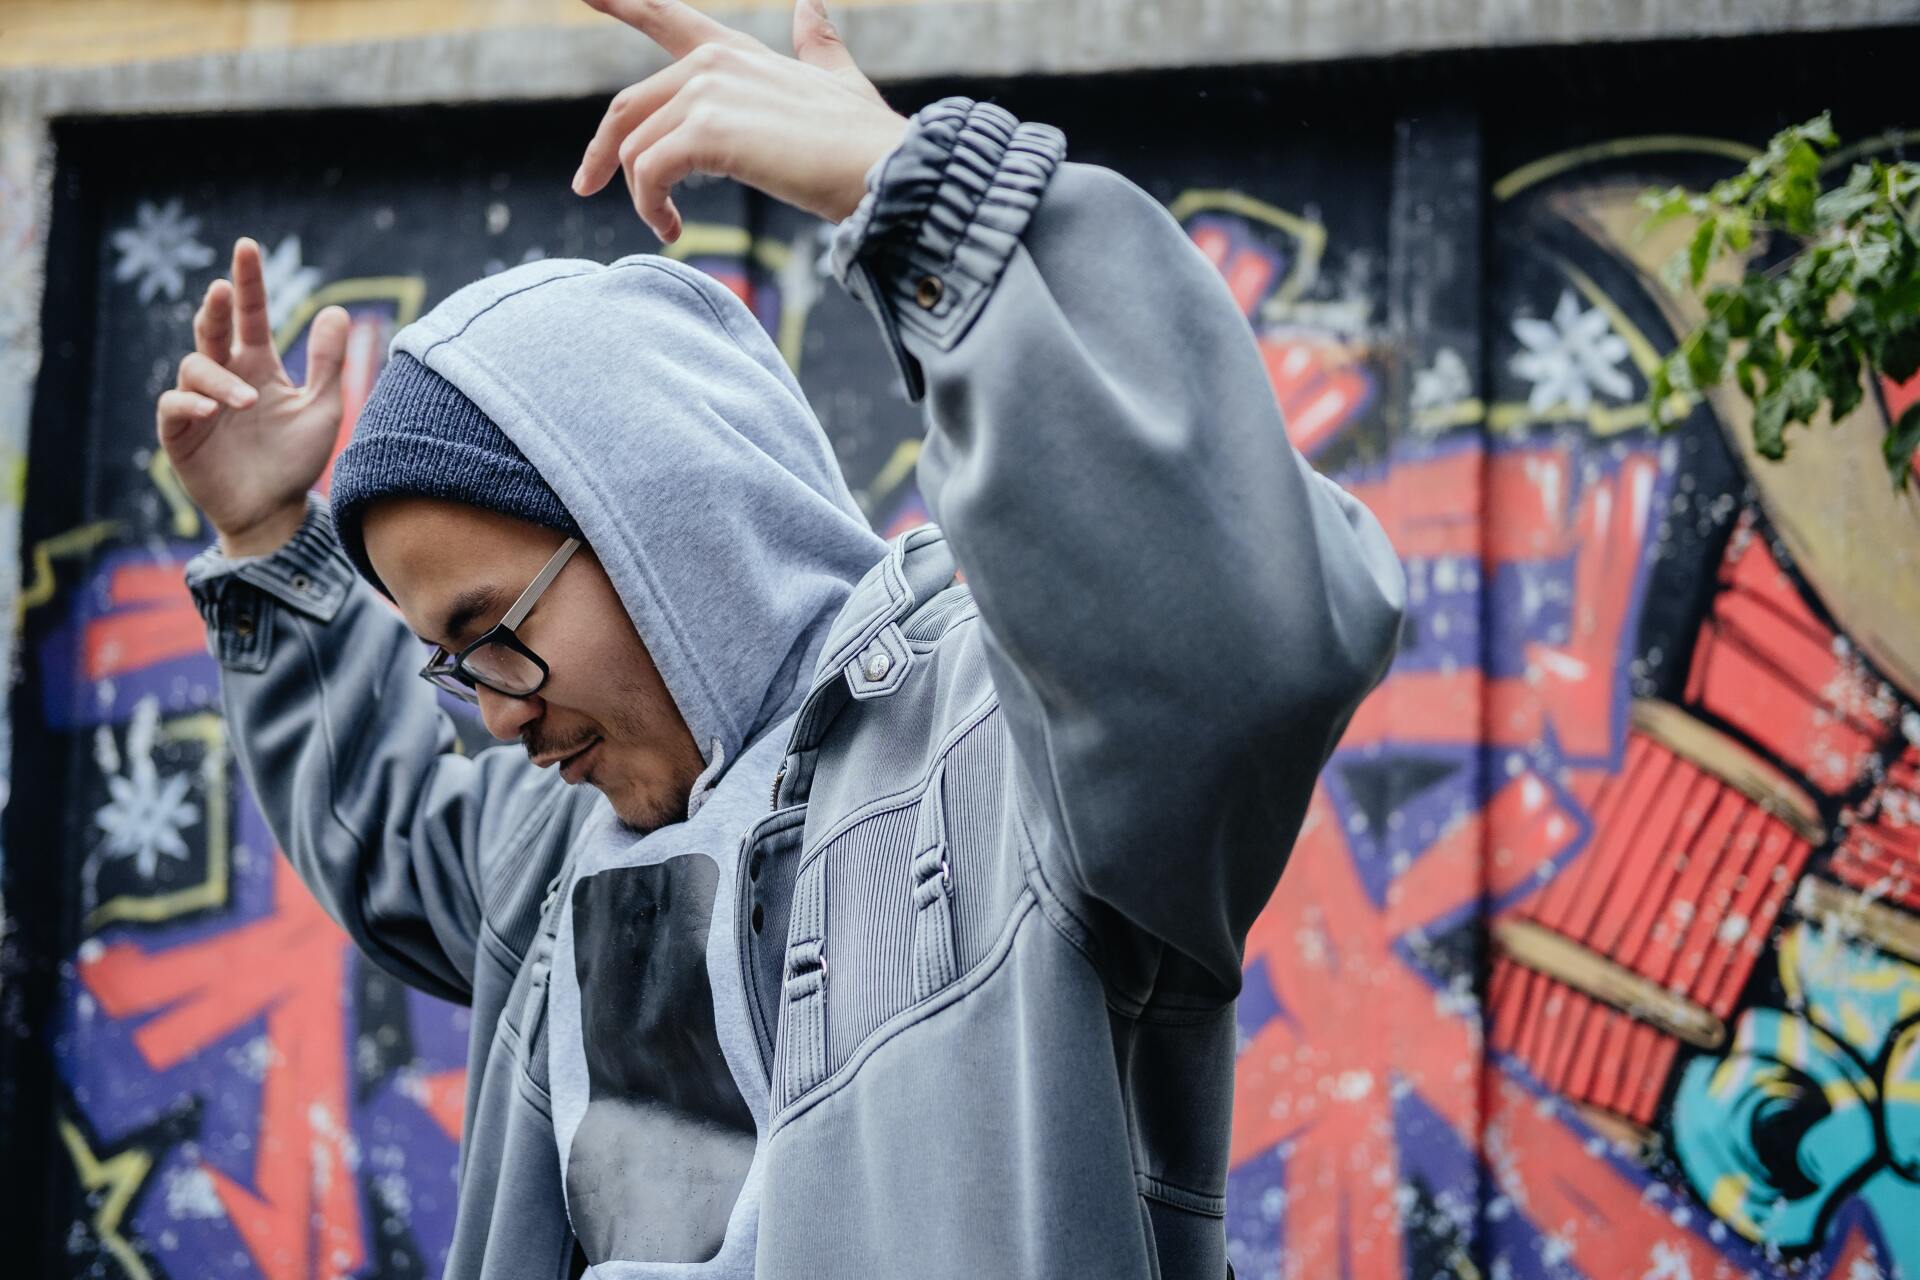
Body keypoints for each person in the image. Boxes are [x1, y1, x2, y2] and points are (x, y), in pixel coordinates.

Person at [155, 0, 1407, 1275]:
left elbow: (1229, 644)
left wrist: (928, 203)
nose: (497, 711)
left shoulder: (996, 762)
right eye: (453, 662)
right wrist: (266, 541)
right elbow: (390, 834)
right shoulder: (560, 849)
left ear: (663, 524)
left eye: (495, 631)